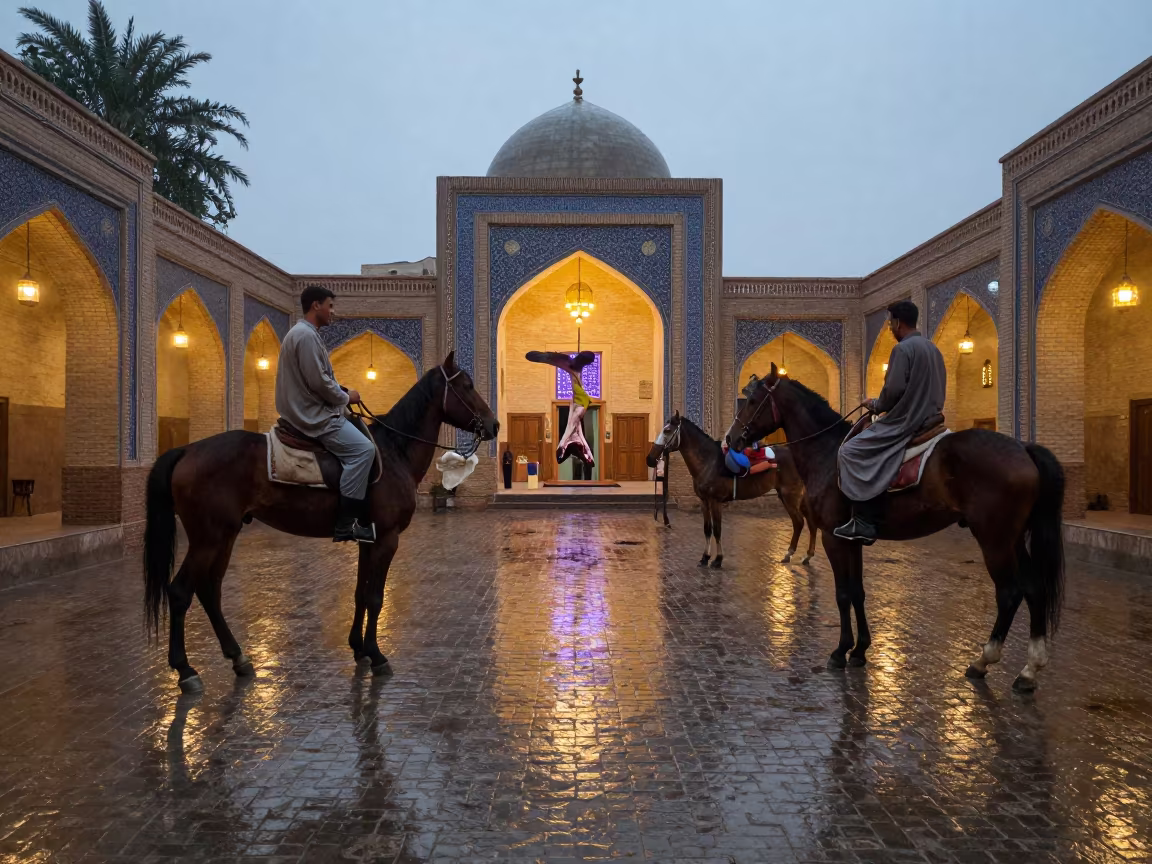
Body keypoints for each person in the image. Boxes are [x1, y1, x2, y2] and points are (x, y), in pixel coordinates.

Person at [834, 299, 946, 545]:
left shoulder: (903, 350)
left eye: (890, 323)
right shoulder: (933, 348)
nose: (890, 328)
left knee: (850, 450)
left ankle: (863, 521)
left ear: (897, 322)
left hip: (907, 419)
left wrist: (875, 404)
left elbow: (893, 390)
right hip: (932, 417)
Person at [275, 285, 377, 543]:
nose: (333, 311)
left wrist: (341, 390)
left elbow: (317, 379)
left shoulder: (303, 334)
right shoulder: (306, 336)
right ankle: (346, 525)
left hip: (309, 408)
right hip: (313, 417)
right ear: (315, 306)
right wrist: (346, 397)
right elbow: (318, 382)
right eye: (330, 305)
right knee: (364, 450)